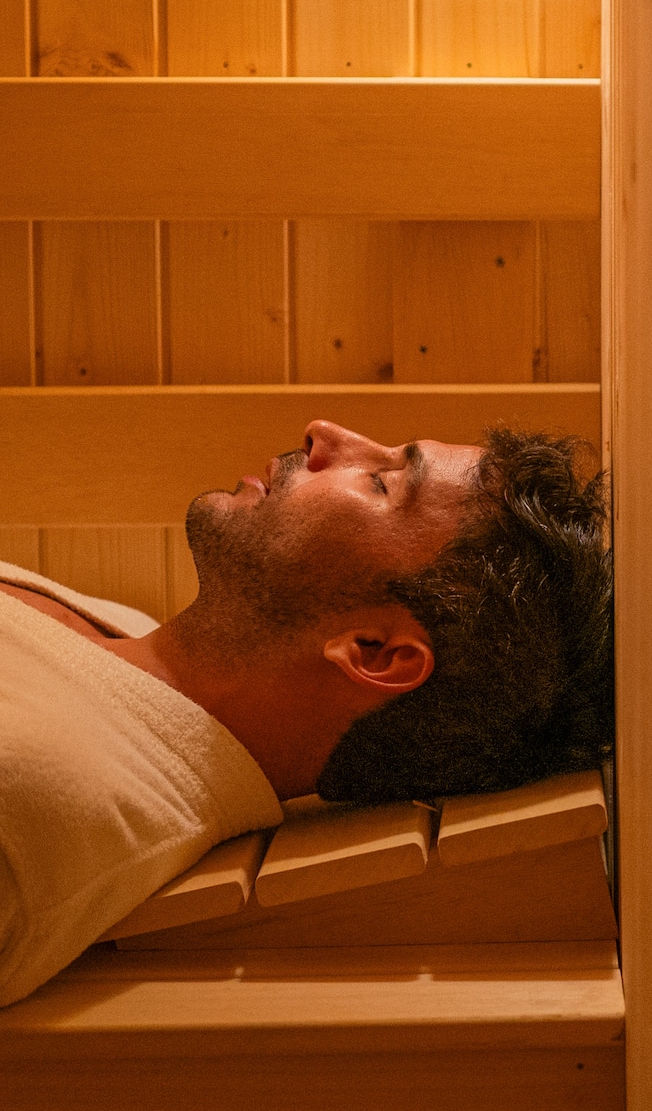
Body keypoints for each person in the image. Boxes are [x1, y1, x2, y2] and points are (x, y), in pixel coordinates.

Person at [0, 420, 612, 1006]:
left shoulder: (37, 790)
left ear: (374, 653)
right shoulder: (126, 637)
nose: (325, 434)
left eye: (384, 482)